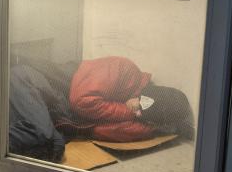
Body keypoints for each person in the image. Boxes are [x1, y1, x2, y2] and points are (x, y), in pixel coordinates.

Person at [58, 56, 195, 142]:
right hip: (62, 81)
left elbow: (99, 130)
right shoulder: (126, 71)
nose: (137, 114)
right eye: (140, 108)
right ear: (144, 95)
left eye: (143, 116)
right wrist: (128, 113)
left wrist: (145, 128)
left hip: (64, 106)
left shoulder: (130, 94)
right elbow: (80, 100)